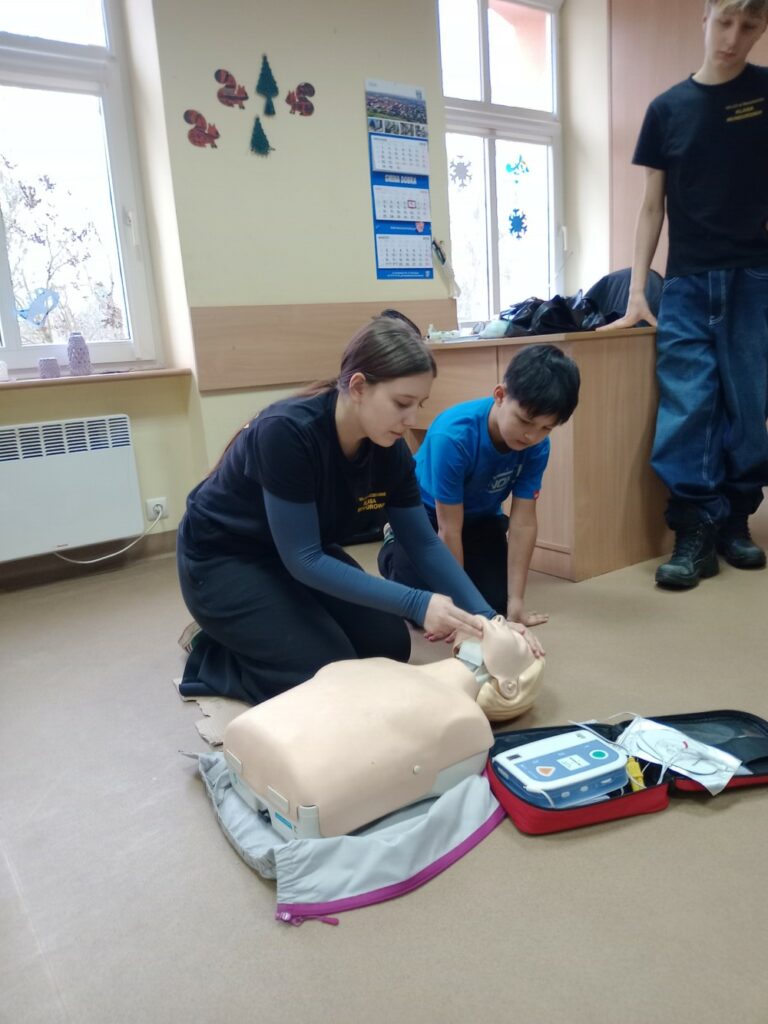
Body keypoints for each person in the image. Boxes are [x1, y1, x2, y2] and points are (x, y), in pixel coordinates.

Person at [177, 311, 541, 705]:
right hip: (223, 559)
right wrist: (418, 603)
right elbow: (304, 559)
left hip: (293, 556)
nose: (411, 419)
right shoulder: (287, 432)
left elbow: (422, 542)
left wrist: (488, 618)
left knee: (388, 644)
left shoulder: (388, 447)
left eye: (419, 404)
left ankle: (268, 623)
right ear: (359, 386)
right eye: (402, 403)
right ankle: (213, 648)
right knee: (321, 672)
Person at [609, 0, 768, 588]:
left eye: (749, 25)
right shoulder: (666, 109)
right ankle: (694, 531)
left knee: (749, 406)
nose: (733, 36)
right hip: (686, 283)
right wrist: (637, 291)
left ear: (762, 27)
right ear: (705, 17)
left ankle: (736, 520)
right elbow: (651, 206)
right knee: (687, 405)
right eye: (724, 21)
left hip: (754, 279)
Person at [378, 344, 580, 625]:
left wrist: (516, 603)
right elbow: (449, 528)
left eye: (546, 428)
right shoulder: (453, 436)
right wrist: (461, 613)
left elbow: (523, 522)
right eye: (525, 421)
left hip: (481, 516)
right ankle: (392, 543)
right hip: (427, 514)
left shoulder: (537, 446)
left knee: (494, 606)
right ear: (500, 395)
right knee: (421, 608)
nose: (531, 436)